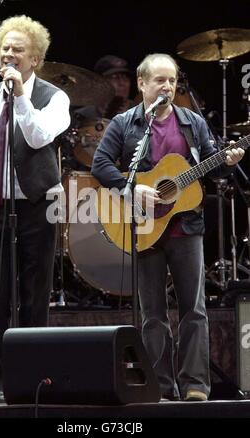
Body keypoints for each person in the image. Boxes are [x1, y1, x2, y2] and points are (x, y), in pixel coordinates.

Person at [91, 53, 244, 401]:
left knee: (195, 308)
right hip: (146, 230)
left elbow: (212, 166)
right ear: (142, 84)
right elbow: (100, 164)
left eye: (172, 81)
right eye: (160, 80)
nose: (168, 87)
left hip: (186, 227)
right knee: (153, 315)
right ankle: (159, 386)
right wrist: (132, 188)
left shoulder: (192, 122)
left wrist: (228, 161)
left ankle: (195, 385)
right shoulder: (125, 124)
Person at [0, 15, 70, 399]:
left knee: (34, 298)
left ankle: (33, 382)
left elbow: (39, 136)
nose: (8, 54)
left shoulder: (55, 97)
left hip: (37, 209)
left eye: (17, 50)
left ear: (35, 59)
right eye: (4, 48)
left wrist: (21, 95)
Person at [75, 54, 135, 120]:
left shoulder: (142, 112)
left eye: (125, 77)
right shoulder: (82, 116)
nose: (122, 83)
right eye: (114, 77)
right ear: (99, 82)